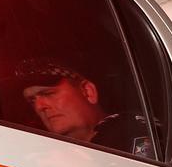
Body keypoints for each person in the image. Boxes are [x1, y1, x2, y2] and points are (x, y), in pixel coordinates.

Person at [11, 57, 154, 157]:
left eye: (48, 93)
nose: (39, 106)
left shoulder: (132, 130)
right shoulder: (41, 153)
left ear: (87, 91)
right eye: (32, 101)